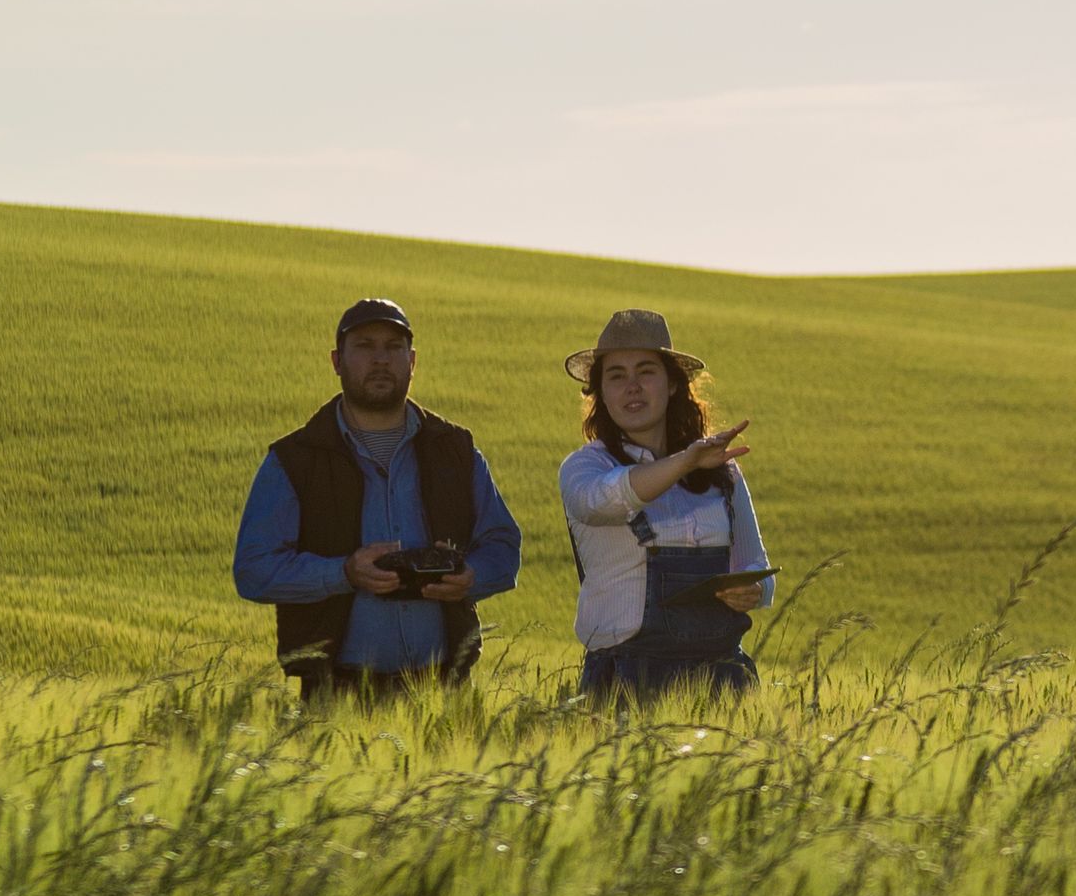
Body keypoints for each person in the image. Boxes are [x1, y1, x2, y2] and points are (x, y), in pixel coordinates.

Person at [233, 295, 523, 699]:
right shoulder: (295, 460)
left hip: (447, 691)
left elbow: (504, 547)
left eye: (393, 347)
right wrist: (344, 573)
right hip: (336, 696)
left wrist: (471, 576)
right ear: (337, 361)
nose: (381, 359)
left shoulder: (455, 450)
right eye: (365, 346)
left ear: (412, 361)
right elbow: (253, 570)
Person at [559, 306, 772, 702]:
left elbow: (757, 565)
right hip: (624, 682)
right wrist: (686, 460)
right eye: (616, 376)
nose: (632, 387)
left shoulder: (722, 472)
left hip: (722, 680)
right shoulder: (585, 467)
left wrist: (755, 589)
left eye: (646, 371)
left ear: (673, 385)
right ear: (600, 392)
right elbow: (604, 500)